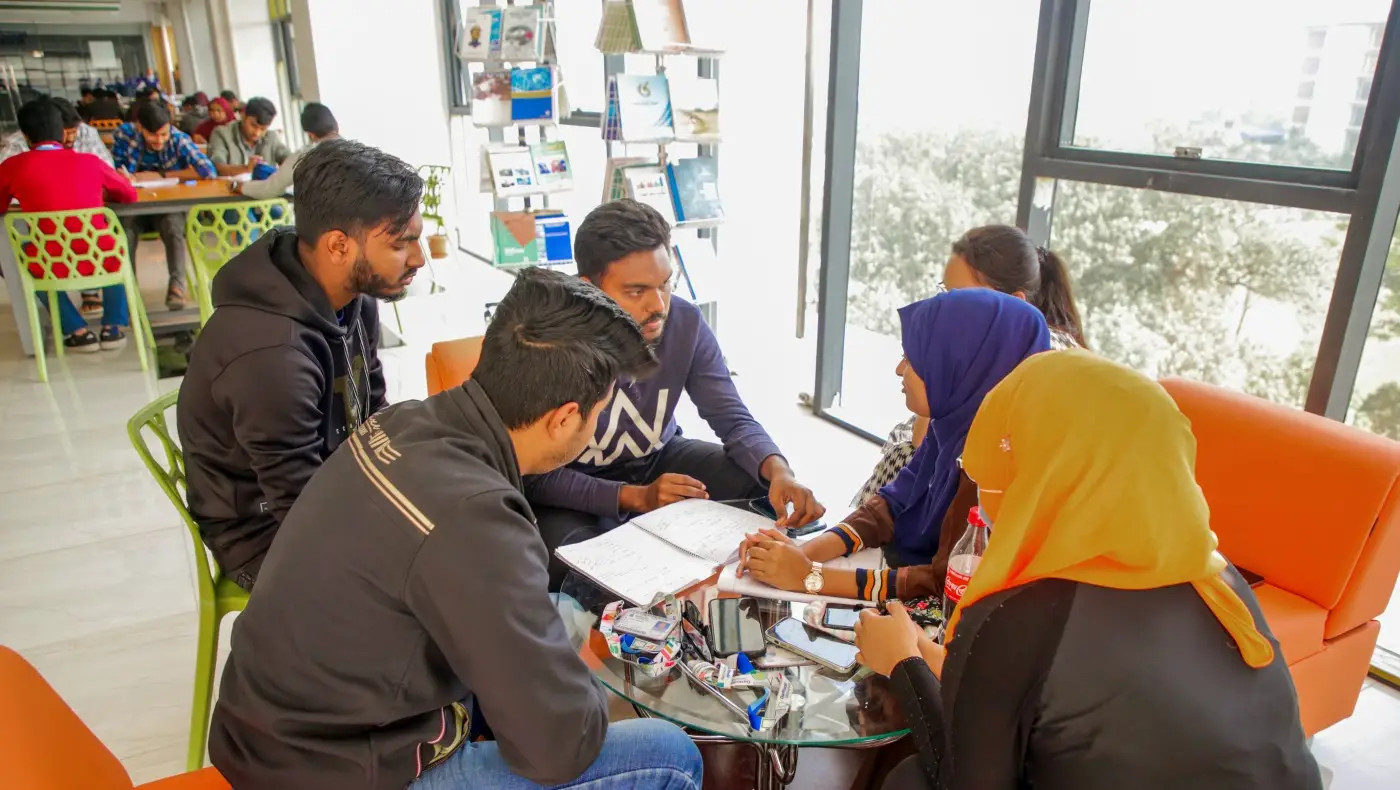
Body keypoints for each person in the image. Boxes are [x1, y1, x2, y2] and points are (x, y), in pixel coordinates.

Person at [207, 267, 703, 790]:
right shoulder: (478, 519)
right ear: (563, 418)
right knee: (668, 754)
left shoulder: (403, 422)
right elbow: (559, 751)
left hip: (266, 726)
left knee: (560, 615)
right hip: (333, 768)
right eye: (599, 413)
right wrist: (584, 694)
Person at [854, 350, 1322, 790]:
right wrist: (927, 653)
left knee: (911, 779)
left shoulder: (1021, 614)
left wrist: (903, 665)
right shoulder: (1218, 578)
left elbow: (967, 779)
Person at [524, 199, 825, 587]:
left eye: (665, 283)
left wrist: (781, 472)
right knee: (576, 568)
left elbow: (731, 417)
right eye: (636, 291)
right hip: (571, 481)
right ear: (588, 288)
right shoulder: (549, 342)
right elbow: (535, 475)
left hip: (658, 459)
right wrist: (635, 497)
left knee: (762, 490)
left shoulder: (685, 321)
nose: (658, 305)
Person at [178, 138, 422, 591]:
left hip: (336, 487)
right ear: (338, 246)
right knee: (440, 581)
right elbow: (300, 507)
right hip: (267, 536)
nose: (418, 258)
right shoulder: (272, 355)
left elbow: (373, 412)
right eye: (401, 244)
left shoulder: (354, 299)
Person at [738, 290, 1050, 603]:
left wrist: (810, 578)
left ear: (957, 367)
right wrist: (800, 554)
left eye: (913, 359)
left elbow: (944, 582)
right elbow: (892, 504)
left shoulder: (992, 467)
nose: (899, 369)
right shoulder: (953, 425)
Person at [851, 224, 1087, 506]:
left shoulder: (1034, 364)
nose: (946, 305)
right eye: (944, 292)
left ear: (1014, 301)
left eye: (961, 294)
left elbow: (924, 444)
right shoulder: (1016, 338)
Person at [0, 99, 137, 351]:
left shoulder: (12, 167)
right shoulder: (91, 162)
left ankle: (77, 331)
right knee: (116, 246)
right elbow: (129, 195)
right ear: (63, 133)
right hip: (98, 257)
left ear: (26, 136)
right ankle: (113, 327)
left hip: (50, 262)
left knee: (27, 257)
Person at [111, 101, 216, 310]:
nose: (159, 140)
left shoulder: (178, 139)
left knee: (173, 226)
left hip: (168, 206)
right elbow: (112, 169)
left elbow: (208, 170)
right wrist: (123, 176)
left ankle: (177, 286)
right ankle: (129, 292)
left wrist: (161, 175)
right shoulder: (124, 136)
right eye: (153, 135)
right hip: (134, 207)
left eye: (163, 134)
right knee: (126, 232)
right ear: (140, 128)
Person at [239, 102, 338, 199]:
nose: (257, 133)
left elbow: (269, 189)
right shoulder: (347, 150)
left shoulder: (305, 156)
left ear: (310, 134)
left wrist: (240, 186)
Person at [0, 96, 113, 168]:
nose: (71, 138)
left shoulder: (86, 132)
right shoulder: (18, 143)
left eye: (74, 131)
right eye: (65, 133)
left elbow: (107, 169)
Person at [208, 96, 291, 174]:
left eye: (263, 129)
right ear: (243, 116)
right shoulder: (221, 134)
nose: (257, 133)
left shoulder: (271, 137)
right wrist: (247, 169)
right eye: (253, 125)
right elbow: (216, 167)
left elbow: (290, 160)